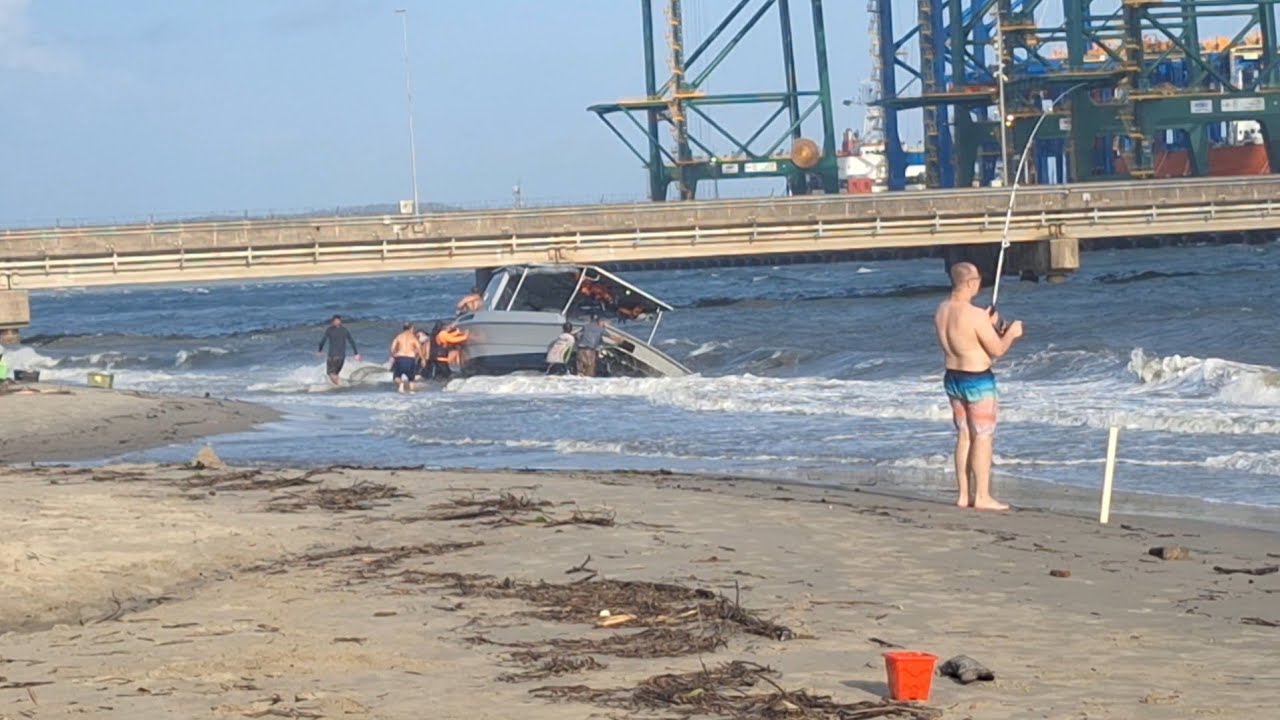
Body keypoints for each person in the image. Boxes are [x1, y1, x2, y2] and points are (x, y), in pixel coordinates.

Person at [934, 261, 1024, 511]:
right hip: (977, 379)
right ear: (970, 283)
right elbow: (997, 349)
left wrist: (989, 323)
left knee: (964, 434)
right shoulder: (973, 314)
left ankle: (964, 495)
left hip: (953, 377)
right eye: (978, 280)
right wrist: (1012, 333)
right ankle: (982, 496)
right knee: (983, 436)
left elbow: (966, 337)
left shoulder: (942, 309)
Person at [317, 315, 360, 385]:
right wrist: (356, 354)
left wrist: (319, 350)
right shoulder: (345, 330)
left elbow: (322, 341)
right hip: (342, 357)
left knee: (330, 373)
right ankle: (340, 387)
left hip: (332, 356)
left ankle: (340, 385)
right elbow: (352, 341)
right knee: (336, 373)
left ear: (333, 322)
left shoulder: (329, 330)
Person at [388, 322, 422, 394]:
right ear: (411, 328)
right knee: (411, 379)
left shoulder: (399, 337)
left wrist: (392, 356)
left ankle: (401, 383)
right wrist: (422, 358)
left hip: (400, 358)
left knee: (396, 377)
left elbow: (392, 347)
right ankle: (412, 392)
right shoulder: (413, 337)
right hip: (410, 358)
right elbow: (419, 348)